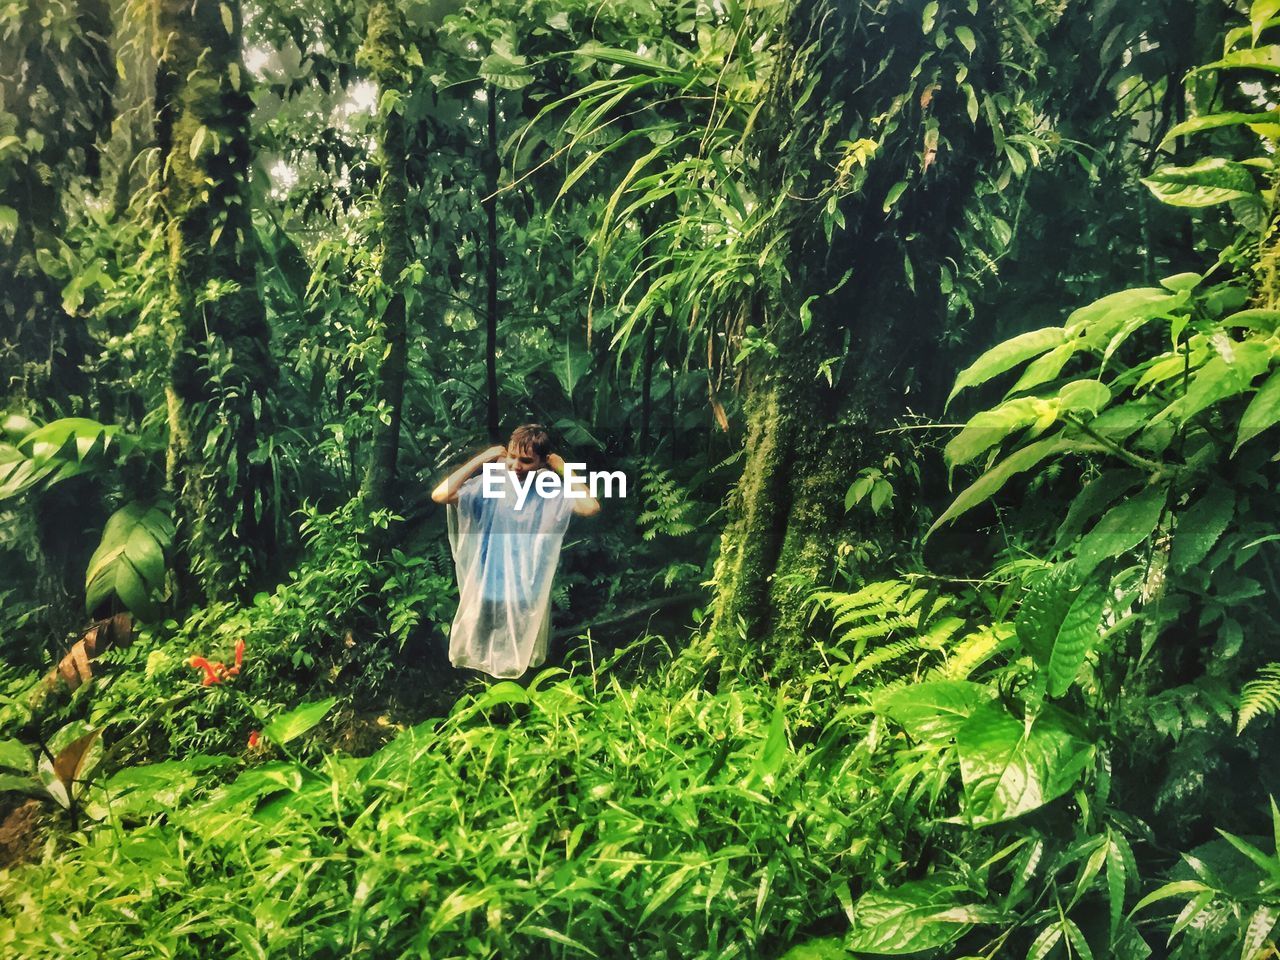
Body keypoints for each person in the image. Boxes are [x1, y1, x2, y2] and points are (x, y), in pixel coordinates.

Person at [431, 424, 600, 679]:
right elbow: (441, 494)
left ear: (542, 462)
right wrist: (482, 458)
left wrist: (562, 466)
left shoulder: (548, 491)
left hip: (524, 588)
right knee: (484, 657)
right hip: (488, 583)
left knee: (519, 655)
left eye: (526, 460)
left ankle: (517, 711)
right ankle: (490, 709)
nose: (515, 465)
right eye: (511, 456)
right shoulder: (491, 485)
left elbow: (590, 507)